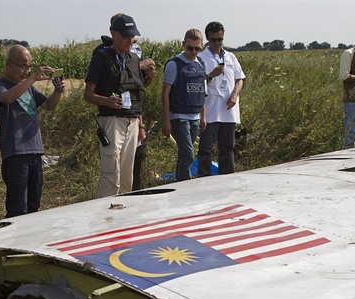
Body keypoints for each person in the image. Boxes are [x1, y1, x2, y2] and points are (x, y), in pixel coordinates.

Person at [84, 14, 156, 198]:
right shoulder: (101, 57)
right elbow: (88, 94)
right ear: (114, 34)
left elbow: (136, 91)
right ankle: (105, 218)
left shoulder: (133, 58)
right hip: (111, 121)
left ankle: (124, 218)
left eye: (132, 36)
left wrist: (150, 78)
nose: (129, 40)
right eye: (125, 36)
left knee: (126, 176)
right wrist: (107, 101)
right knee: (111, 174)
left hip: (132, 121)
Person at [0, 45, 66, 218]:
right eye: (23, 66)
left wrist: (58, 90)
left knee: (33, 206)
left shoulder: (29, 88)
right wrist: (32, 78)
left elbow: (49, 105)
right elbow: (7, 98)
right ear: (9, 65)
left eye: (29, 67)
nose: (26, 71)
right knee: (18, 209)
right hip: (15, 154)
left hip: (35, 152)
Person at [197, 21, 246, 176]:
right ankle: (203, 180)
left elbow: (240, 78)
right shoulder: (201, 58)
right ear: (207, 39)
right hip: (210, 110)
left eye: (220, 39)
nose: (217, 43)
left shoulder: (231, 57)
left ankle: (227, 180)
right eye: (213, 40)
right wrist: (212, 75)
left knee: (227, 148)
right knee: (205, 149)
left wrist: (234, 94)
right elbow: (197, 83)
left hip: (228, 110)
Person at [161, 29, 207, 182]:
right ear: (183, 44)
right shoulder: (174, 64)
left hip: (195, 116)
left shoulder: (201, 64)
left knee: (184, 154)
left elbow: (202, 92)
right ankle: (186, 183)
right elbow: (165, 94)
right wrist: (166, 120)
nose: (193, 52)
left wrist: (203, 116)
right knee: (188, 153)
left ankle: (180, 184)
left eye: (197, 49)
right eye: (190, 48)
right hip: (178, 116)